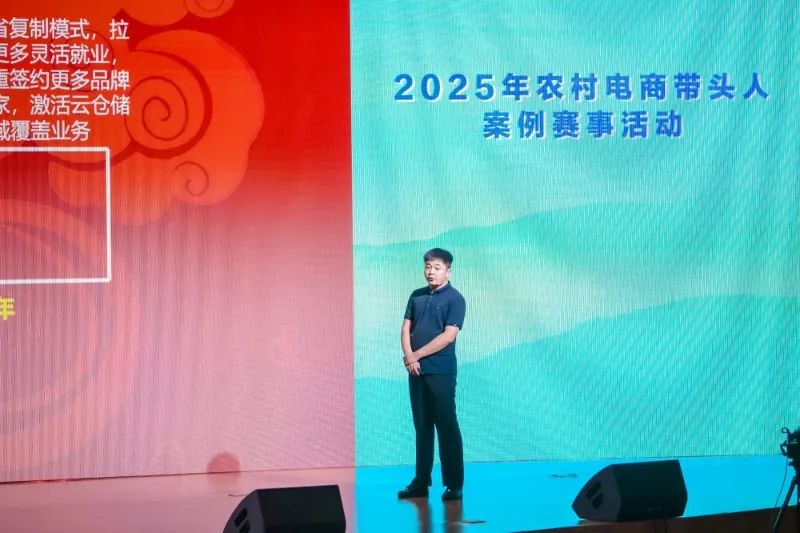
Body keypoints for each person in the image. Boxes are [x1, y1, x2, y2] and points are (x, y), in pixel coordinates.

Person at [397, 248, 466, 502]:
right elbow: (406, 328)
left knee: (446, 425)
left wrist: (416, 355)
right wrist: (409, 356)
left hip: (441, 371)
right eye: (428, 267)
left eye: (437, 267)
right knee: (422, 425)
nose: (431, 272)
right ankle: (421, 481)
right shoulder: (416, 296)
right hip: (416, 371)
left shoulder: (455, 299)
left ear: (448, 270)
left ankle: (454, 484)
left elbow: (448, 336)